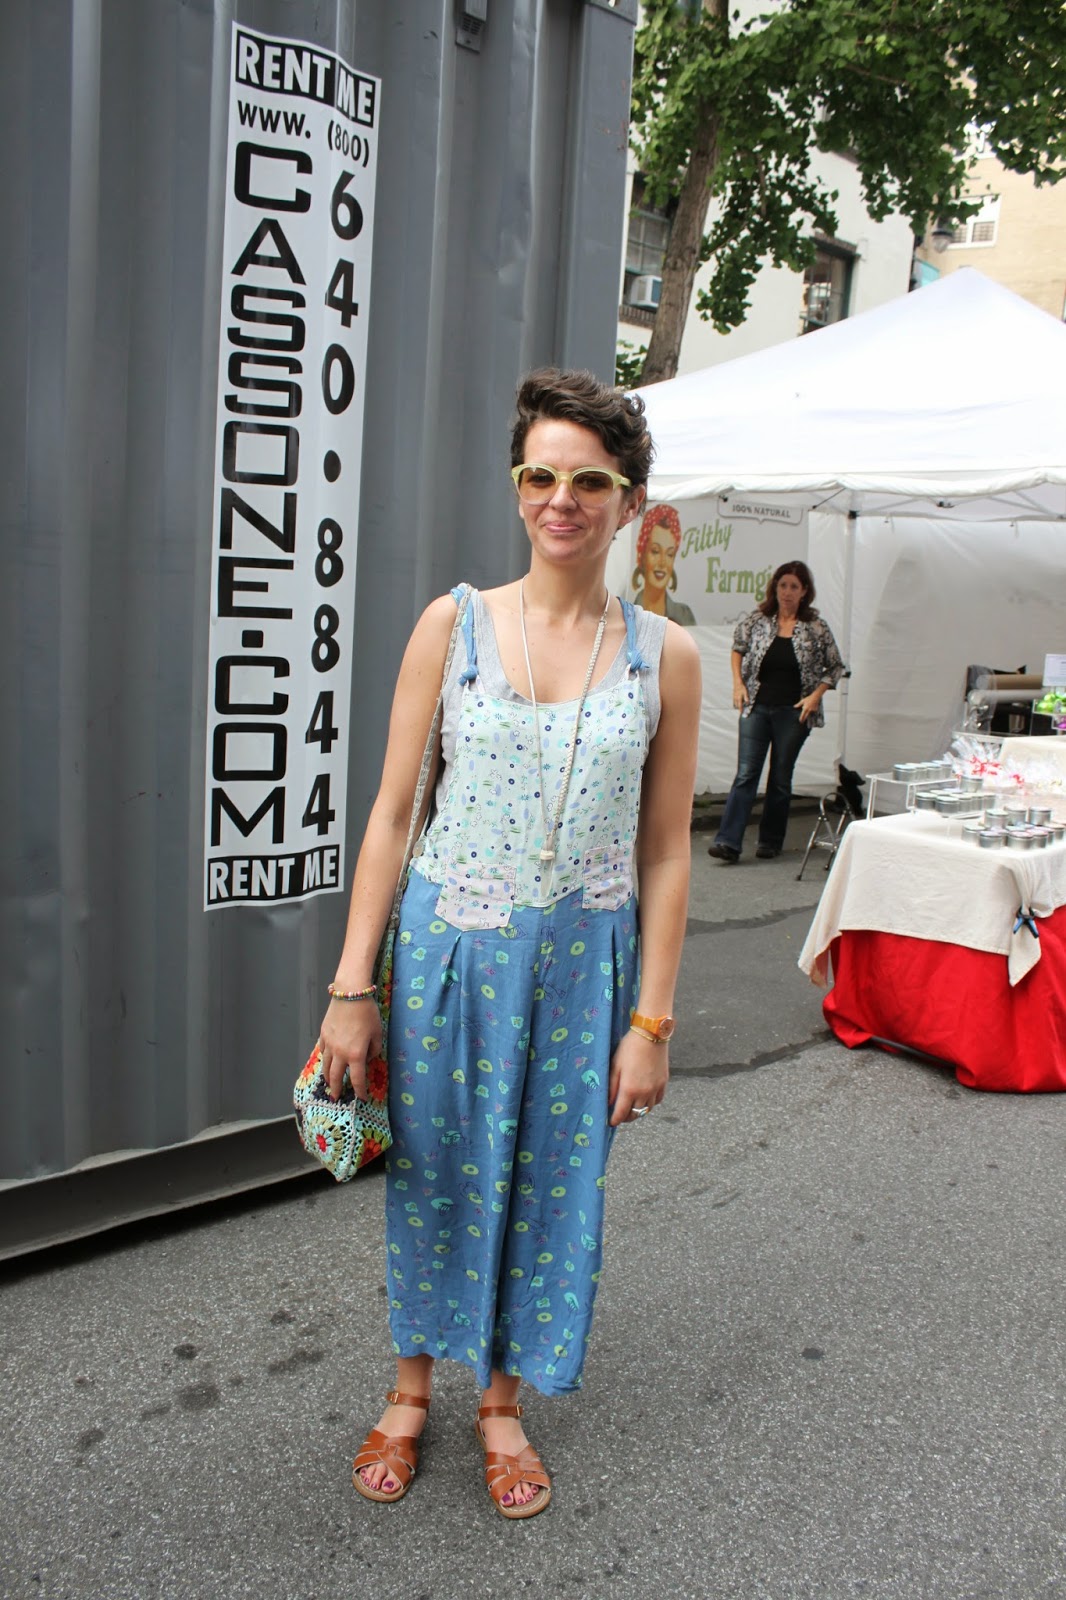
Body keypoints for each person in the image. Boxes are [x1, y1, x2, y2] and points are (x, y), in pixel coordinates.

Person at [317, 368, 701, 1520]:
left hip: (587, 974)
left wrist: (652, 1022)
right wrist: (351, 986)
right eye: (540, 474)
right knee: (433, 1173)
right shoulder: (453, 625)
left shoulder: (665, 656)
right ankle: (408, 1389)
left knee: (549, 1185)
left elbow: (666, 851)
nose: (560, 499)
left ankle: (500, 1401)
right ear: (516, 484)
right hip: (449, 955)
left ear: (629, 501)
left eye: (589, 481)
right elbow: (393, 814)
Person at [708, 560, 843, 863]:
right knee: (746, 773)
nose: (787, 592)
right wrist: (738, 684)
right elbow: (738, 647)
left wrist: (815, 697)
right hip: (757, 706)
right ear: (775, 588)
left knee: (780, 776)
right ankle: (728, 841)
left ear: (804, 591)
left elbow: (835, 667)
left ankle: (770, 841)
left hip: (794, 712)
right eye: (783, 585)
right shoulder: (759, 620)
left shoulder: (816, 627)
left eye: (794, 586)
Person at [632, 503, 696, 625]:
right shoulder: (625, 615)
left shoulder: (684, 616)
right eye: (655, 551)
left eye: (669, 554)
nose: (662, 562)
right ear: (642, 554)